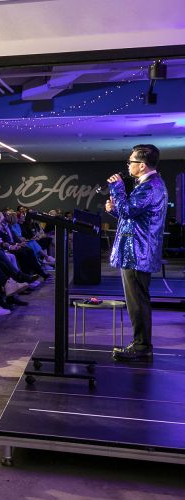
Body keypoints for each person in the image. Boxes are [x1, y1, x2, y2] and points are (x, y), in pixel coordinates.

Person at [105, 144, 168, 362]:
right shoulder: (150, 184)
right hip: (137, 252)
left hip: (137, 254)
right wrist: (115, 210)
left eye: (131, 161)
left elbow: (129, 211)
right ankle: (141, 344)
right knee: (137, 300)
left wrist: (117, 189)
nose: (128, 165)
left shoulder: (150, 186)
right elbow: (133, 218)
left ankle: (141, 346)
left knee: (137, 302)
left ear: (141, 165)